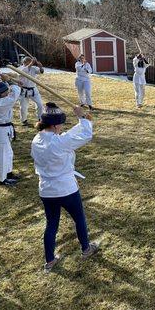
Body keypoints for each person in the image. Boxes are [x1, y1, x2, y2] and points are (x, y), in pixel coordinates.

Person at [31, 102, 99, 272]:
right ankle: (85, 248)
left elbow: (66, 136)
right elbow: (85, 136)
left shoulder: (37, 139)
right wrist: (82, 118)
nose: (62, 126)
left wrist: (83, 121)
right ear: (54, 125)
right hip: (66, 189)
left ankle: (50, 260)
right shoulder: (58, 142)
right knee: (79, 219)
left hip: (46, 190)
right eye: (60, 123)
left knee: (51, 224)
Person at [0, 80, 21, 186]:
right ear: (1, 93)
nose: (8, 92)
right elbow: (15, 92)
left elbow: (13, 92)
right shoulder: (0, 103)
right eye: (6, 91)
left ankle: (8, 173)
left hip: (3, 131)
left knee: (8, 154)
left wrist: (7, 81)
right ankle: (2, 180)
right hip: (0, 133)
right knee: (1, 156)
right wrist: (11, 82)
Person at [18, 56, 45, 125]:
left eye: (30, 62)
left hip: (33, 89)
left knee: (40, 104)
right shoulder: (19, 68)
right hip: (24, 90)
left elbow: (41, 71)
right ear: (24, 62)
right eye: (28, 62)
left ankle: (40, 119)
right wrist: (32, 63)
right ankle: (24, 120)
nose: (30, 63)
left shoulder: (34, 68)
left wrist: (40, 66)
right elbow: (23, 72)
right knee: (23, 107)